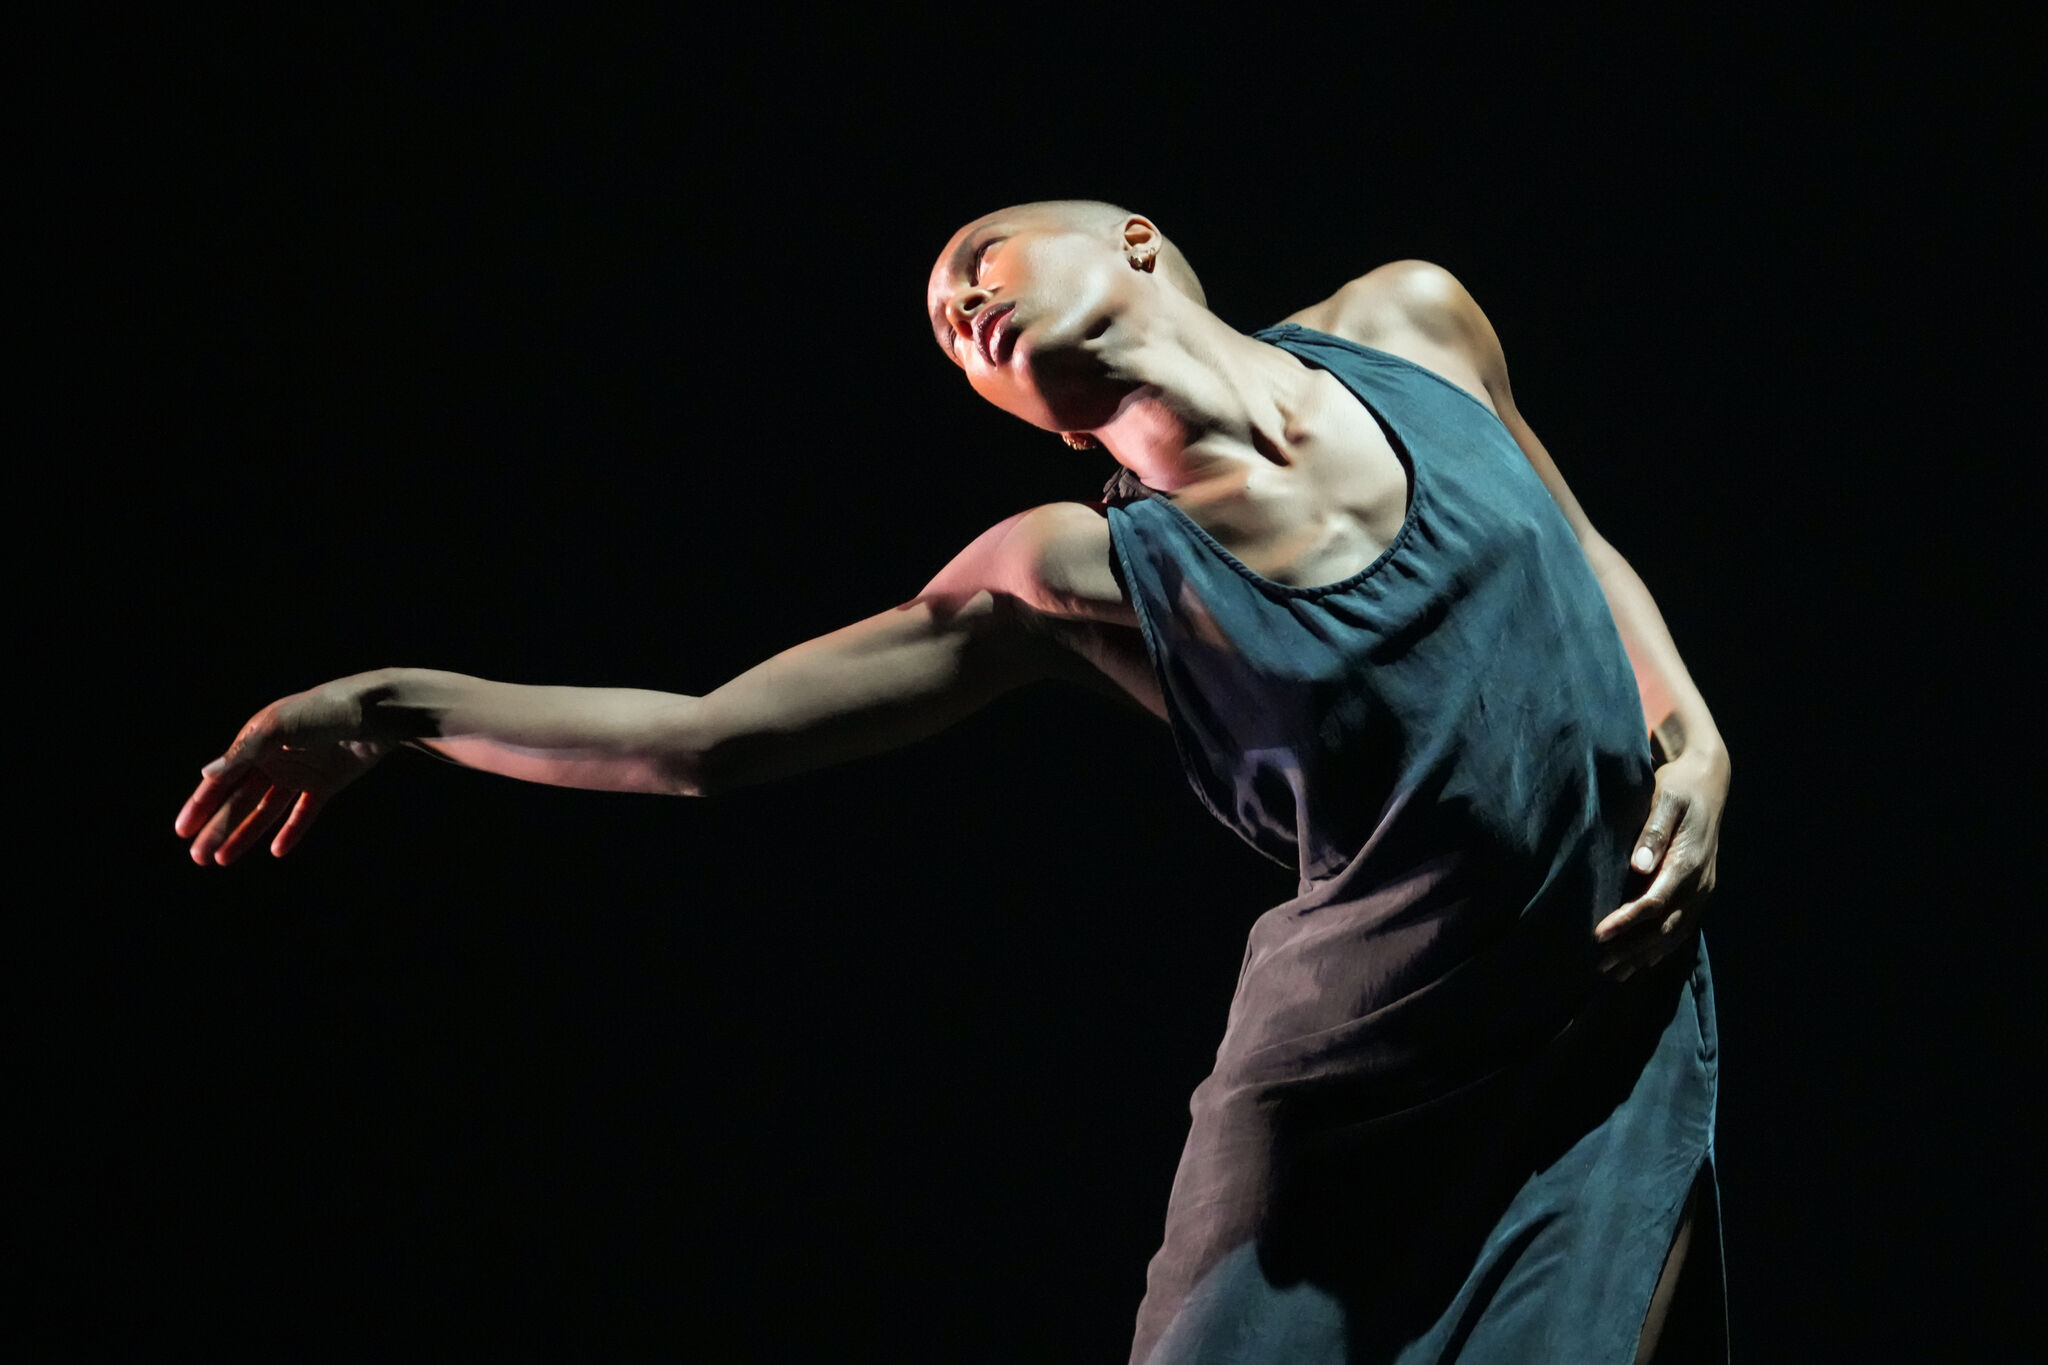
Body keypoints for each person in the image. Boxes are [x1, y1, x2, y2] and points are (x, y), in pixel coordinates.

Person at [176, 200, 1731, 1363]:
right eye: (939, 319)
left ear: (1136, 242)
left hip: (1593, 1036)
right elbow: (706, 737)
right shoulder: (1075, 572)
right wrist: (397, 705)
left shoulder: (1414, 322)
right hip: (1348, 1100)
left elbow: (1580, 544)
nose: (959, 300)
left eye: (981, 260)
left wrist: (1693, 725)